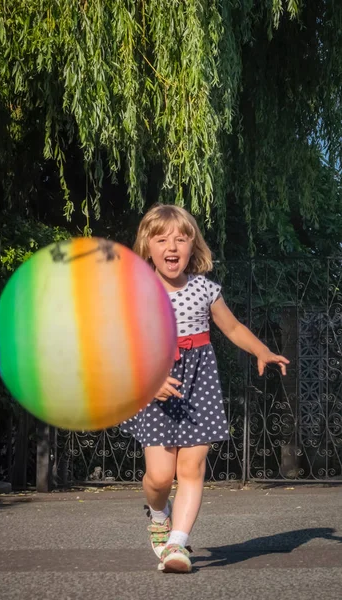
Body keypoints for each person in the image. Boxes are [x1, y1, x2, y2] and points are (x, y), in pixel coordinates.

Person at [121, 204, 289, 573]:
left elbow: (231, 328)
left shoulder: (205, 289)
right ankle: (157, 513)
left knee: (193, 468)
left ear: (193, 246)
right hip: (154, 385)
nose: (172, 246)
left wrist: (262, 350)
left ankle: (177, 546)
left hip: (200, 385)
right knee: (160, 477)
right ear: (147, 246)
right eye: (162, 238)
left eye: (182, 238)